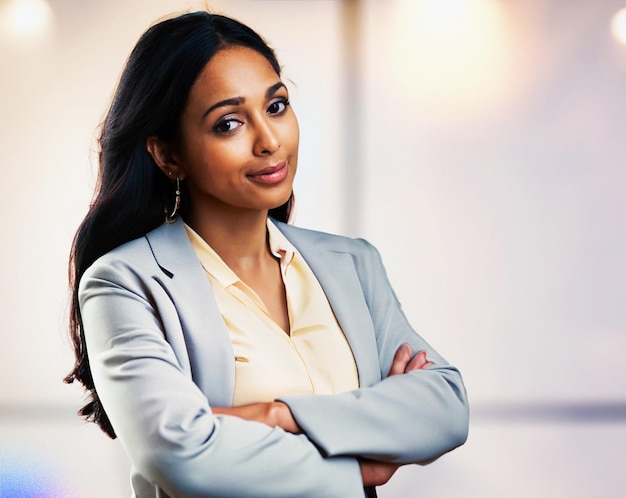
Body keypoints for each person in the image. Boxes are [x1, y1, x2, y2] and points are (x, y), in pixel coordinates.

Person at [65, 11, 468, 498]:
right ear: (168, 155)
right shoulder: (124, 282)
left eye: (276, 106)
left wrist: (279, 414)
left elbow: (444, 406)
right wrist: (360, 459)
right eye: (229, 123)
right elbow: (181, 456)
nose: (270, 141)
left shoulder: (353, 264)